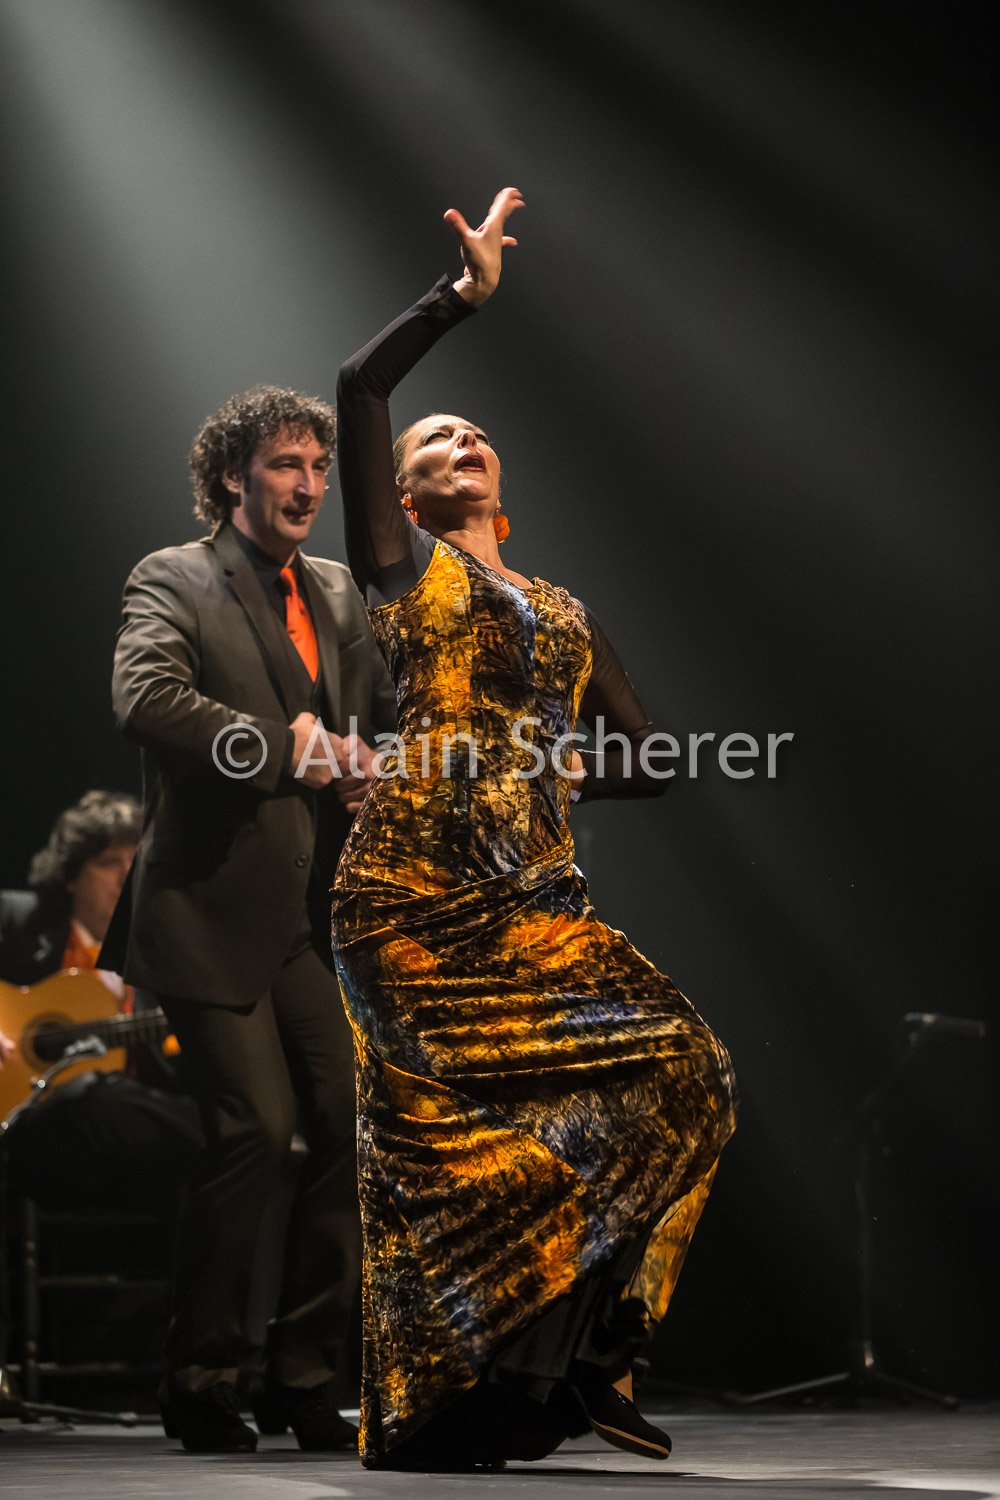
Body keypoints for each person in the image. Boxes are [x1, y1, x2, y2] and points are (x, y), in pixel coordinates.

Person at [332, 188, 738, 1471]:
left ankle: (589, 1354)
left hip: (531, 903)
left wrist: (556, 776)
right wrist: (458, 299)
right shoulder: (406, 571)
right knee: (445, 1162)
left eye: (476, 433)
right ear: (402, 494)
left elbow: (651, 757)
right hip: (408, 901)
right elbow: (358, 386)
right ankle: (456, 1405)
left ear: (500, 486)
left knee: (690, 1075)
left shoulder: (562, 609)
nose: (461, 438)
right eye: (435, 439)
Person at [99, 386, 396, 1454]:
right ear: (234, 476)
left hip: (308, 918)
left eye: (317, 467)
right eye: (284, 465)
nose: (308, 486)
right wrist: (287, 748)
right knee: (257, 1130)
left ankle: (305, 1380)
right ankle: (200, 1381)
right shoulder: (174, 577)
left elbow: (376, 720)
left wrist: (369, 763)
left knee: (353, 1123)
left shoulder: (336, 590)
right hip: (205, 911)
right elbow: (147, 700)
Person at [0, 789, 201, 1209]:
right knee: (91, 1091)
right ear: (70, 876)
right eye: (109, 862)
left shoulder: (163, 959)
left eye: (137, 862)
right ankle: (236, 1138)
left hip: (124, 1146)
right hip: (26, 1126)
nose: (126, 876)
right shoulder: (15, 918)